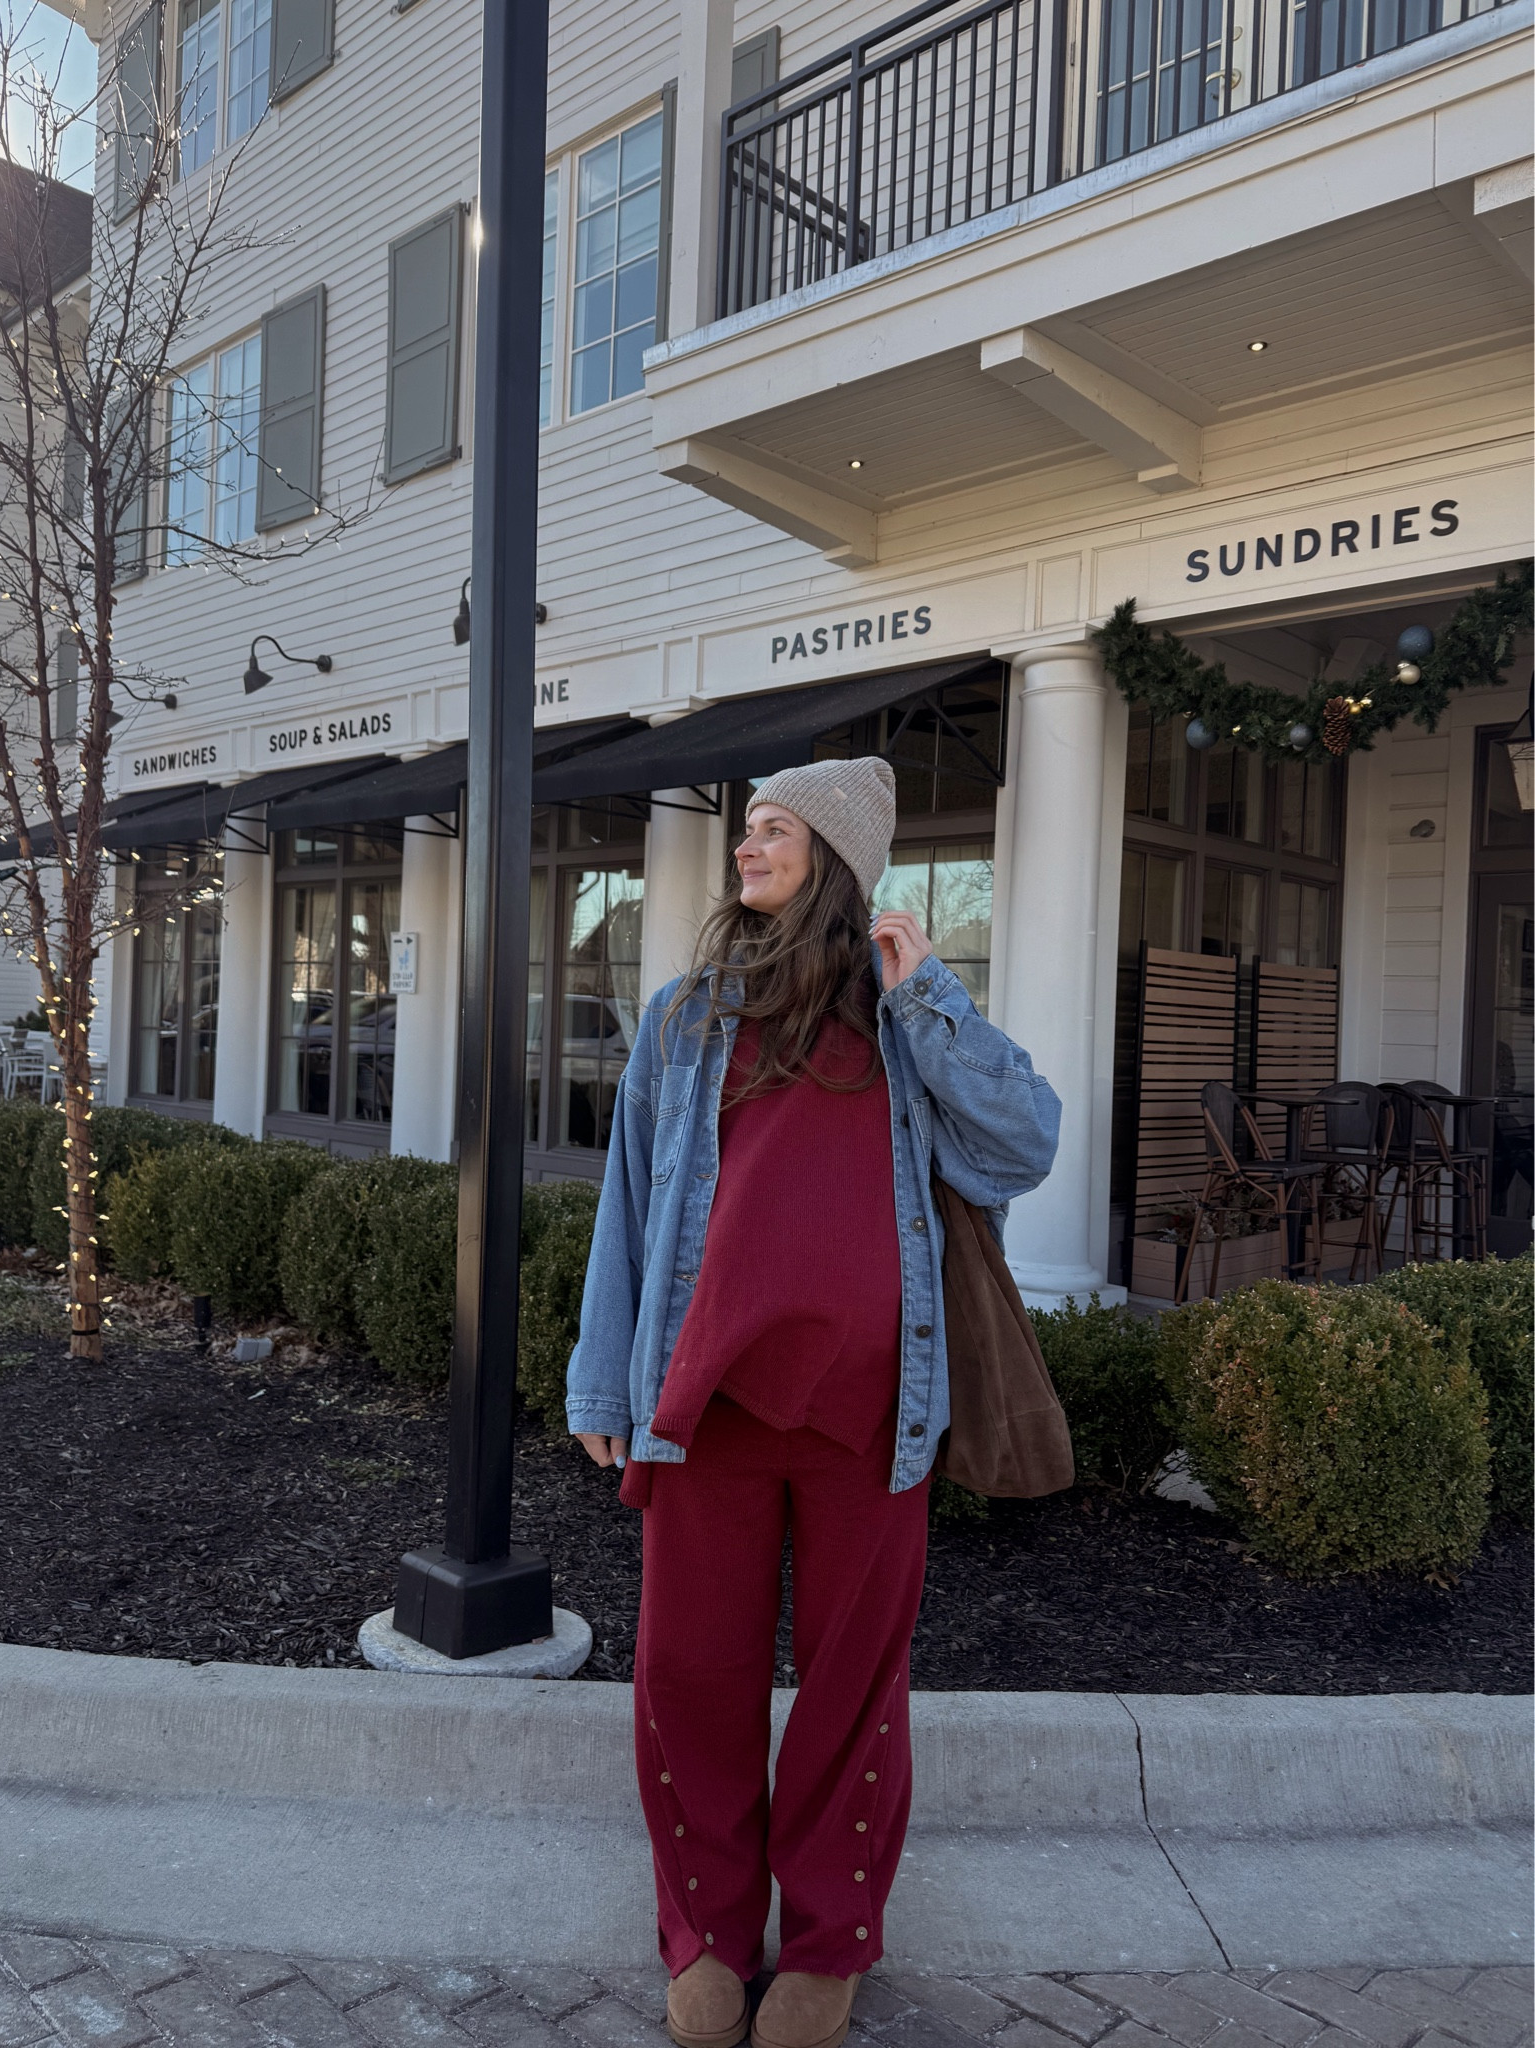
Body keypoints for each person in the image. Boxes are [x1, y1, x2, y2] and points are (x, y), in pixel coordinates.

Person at [567, 757, 1060, 2048]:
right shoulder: (685, 1018)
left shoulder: (904, 1015)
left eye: (773, 830)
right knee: (690, 1674)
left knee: (851, 1687)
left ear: (834, 857)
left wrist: (932, 996)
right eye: (745, 830)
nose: (746, 848)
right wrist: (602, 1376)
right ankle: (709, 1935)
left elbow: (1026, 1144)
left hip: (874, 1413)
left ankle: (830, 1940)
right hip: (710, 1407)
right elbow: (626, 1204)